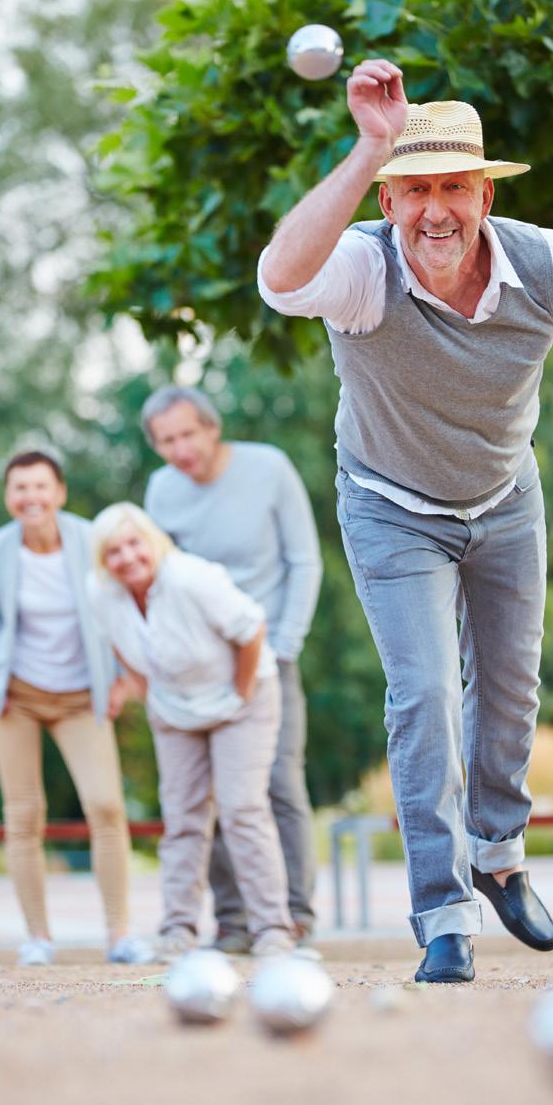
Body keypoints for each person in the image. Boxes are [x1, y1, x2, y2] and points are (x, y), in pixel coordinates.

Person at [258, 60, 553, 983]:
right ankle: (443, 911)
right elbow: (277, 276)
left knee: (509, 690)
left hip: (505, 497)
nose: (436, 211)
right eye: (414, 190)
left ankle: (499, 855)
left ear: (486, 192)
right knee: (423, 699)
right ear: (388, 198)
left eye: (454, 186)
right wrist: (372, 142)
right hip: (390, 504)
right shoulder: (363, 273)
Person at [142, 385, 322, 953]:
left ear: (211, 428)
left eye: (187, 434)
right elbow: (157, 578)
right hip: (199, 666)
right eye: (166, 441)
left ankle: (292, 915)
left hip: (269, 655)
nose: (179, 449)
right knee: (208, 793)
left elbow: (304, 559)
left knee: (276, 784)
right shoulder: (161, 492)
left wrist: (286, 643)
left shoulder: (268, 468)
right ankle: (235, 919)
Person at [87, 501, 297, 961]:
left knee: (242, 809)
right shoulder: (101, 593)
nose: (127, 557)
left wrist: (240, 697)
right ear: (103, 561)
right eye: (113, 551)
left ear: (152, 542)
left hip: (242, 696)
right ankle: (177, 930)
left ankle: (273, 931)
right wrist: (146, 690)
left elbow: (252, 629)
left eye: (133, 543)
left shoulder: (190, 577)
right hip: (174, 707)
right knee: (182, 817)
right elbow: (118, 644)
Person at [0, 451, 147, 966]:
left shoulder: (88, 540)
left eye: (40, 487)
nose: (31, 498)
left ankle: (118, 935)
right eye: (20, 488)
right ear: (8, 497)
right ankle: (38, 938)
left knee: (106, 807)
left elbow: (114, 609)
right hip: (17, 694)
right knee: (24, 814)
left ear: (60, 492)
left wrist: (122, 677)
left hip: (78, 696)